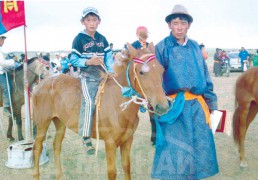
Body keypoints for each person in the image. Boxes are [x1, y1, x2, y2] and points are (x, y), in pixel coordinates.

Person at [152, 4, 219, 179]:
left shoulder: (195, 46)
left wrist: (212, 102)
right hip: (173, 107)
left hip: (197, 105)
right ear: (169, 25)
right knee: (175, 148)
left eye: (183, 23)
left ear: (188, 25)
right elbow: (155, 79)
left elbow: (205, 75)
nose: (179, 27)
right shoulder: (161, 47)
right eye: (175, 23)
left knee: (199, 147)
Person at [70, 7, 114, 155]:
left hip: (103, 75)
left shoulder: (103, 39)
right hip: (87, 76)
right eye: (88, 20)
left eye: (94, 20)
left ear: (99, 21)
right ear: (83, 22)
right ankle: (85, 135)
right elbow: (73, 59)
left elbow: (108, 57)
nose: (92, 23)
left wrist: (111, 71)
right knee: (89, 102)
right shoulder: (79, 39)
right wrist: (89, 61)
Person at [131, 26, 156, 145]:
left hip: (149, 79)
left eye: (144, 33)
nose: (142, 36)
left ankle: (154, 136)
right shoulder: (134, 45)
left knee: (153, 112)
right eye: (141, 34)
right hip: (138, 79)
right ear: (137, 34)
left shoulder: (151, 46)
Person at [0, 34, 19, 117]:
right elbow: (2, 63)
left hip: (2, 71)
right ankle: (6, 107)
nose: (3, 42)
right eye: (2, 40)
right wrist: (13, 60)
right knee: (7, 88)